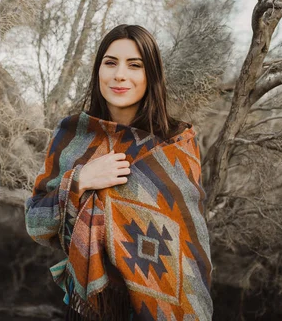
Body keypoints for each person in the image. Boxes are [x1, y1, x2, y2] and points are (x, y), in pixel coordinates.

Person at [24, 25, 212, 321]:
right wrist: (81, 181)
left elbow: (190, 247)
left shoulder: (177, 144)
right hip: (89, 306)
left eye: (134, 65)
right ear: (98, 70)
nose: (120, 75)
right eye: (110, 63)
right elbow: (35, 224)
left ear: (151, 74)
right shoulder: (72, 136)